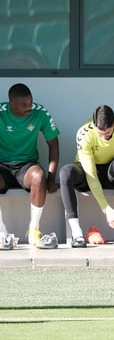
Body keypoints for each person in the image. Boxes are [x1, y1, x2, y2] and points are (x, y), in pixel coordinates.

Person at [57, 105, 114, 248]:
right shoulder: (84, 134)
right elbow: (91, 175)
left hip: (110, 172)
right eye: (100, 133)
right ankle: (77, 233)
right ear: (93, 125)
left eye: (108, 133)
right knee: (65, 172)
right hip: (88, 172)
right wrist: (106, 209)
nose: (104, 136)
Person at [0, 84, 60, 249]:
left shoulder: (40, 113)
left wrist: (51, 178)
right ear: (11, 103)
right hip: (2, 166)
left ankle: (34, 231)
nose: (29, 107)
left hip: (26, 166)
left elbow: (53, 144)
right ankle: (1, 233)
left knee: (39, 177)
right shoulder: (1, 113)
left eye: (30, 103)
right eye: (24, 105)